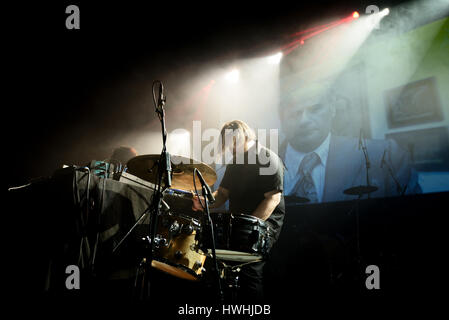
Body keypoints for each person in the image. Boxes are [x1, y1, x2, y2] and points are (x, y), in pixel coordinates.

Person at [279, 83, 421, 203]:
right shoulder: (261, 166)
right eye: (295, 113)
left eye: (315, 109)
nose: (304, 120)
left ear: (332, 109)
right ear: (282, 119)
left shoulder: (384, 155)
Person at [192, 120, 285, 302]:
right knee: (224, 272)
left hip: (263, 225)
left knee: (249, 271)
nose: (229, 147)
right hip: (238, 225)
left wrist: (249, 227)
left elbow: (273, 198)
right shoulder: (235, 164)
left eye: (233, 141)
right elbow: (223, 193)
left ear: (244, 136)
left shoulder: (267, 158)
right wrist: (205, 202)